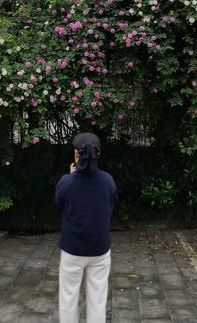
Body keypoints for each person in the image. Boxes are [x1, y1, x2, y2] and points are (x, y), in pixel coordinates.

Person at [55, 133, 118, 323]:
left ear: (76, 155)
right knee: (97, 300)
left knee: (68, 298)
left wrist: (72, 174)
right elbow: (111, 204)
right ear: (98, 155)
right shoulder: (108, 180)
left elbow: (59, 204)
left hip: (72, 249)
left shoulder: (67, 181)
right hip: (99, 249)